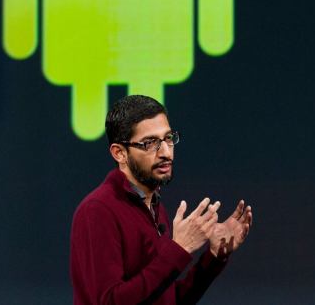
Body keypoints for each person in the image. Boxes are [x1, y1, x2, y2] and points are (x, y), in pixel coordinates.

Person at [70, 95, 252, 304]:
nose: (166, 152)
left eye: (168, 138)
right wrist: (179, 249)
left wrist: (213, 258)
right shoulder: (98, 210)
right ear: (120, 153)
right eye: (150, 143)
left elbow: (167, 299)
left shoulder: (153, 206)